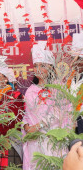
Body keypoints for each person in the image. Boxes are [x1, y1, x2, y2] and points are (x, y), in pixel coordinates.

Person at [22, 41, 73, 170]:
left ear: (50, 67)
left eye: (42, 65)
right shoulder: (30, 90)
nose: (38, 69)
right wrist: (26, 126)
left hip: (53, 140)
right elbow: (26, 114)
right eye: (36, 65)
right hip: (35, 141)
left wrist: (39, 126)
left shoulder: (58, 87)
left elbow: (60, 112)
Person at [67, 32, 83, 134]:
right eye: (73, 59)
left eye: (79, 60)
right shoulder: (70, 78)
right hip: (71, 121)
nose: (74, 63)